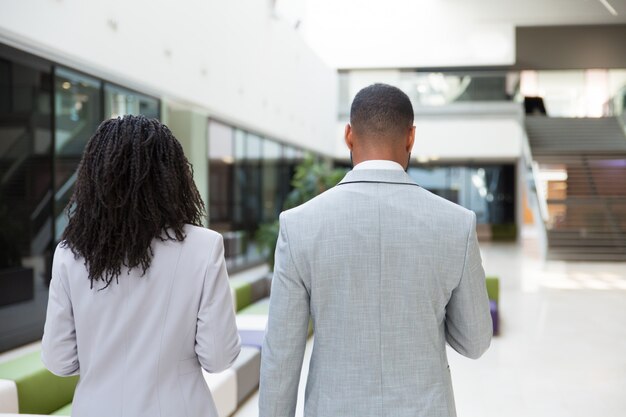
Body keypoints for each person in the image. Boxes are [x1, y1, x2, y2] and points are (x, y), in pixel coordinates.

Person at [259, 83, 492, 417]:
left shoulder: (299, 225)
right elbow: (475, 342)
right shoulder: (457, 223)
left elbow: (281, 355)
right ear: (411, 137)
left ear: (349, 136)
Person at [42, 115, 240, 417]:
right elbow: (218, 357)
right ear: (172, 174)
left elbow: (59, 360)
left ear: (95, 176)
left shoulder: (70, 253)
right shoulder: (204, 246)